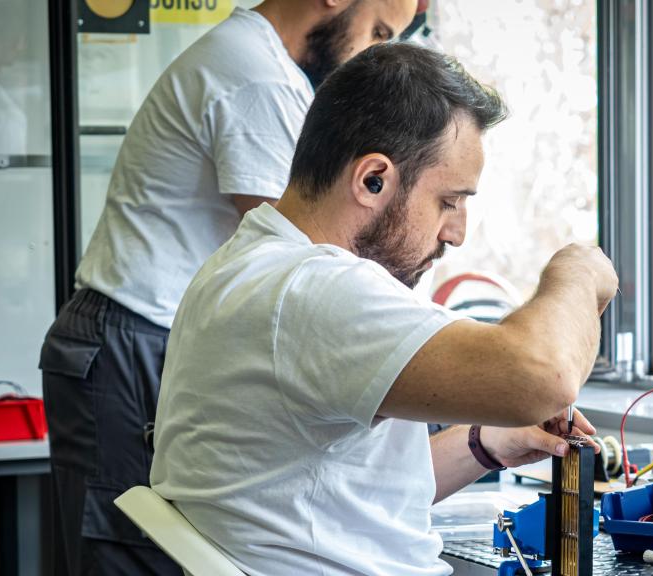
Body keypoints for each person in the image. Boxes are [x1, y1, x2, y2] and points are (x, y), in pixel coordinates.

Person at [150, 42, 618, 575]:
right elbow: (543, 376)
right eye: (449, 201)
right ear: (373, 179)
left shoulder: (244, 269)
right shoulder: (314, 289)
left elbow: (342, 498)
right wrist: (578, 269)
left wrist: (488, 445)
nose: (457, 233)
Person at [38, 1, 418, 574]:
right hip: (132, 340)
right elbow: (310, 254)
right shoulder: (254, 77)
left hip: (158, 338)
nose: (372, 56)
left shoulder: (267, 67)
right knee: (134, 557)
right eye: (379, 32)